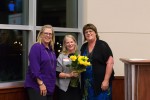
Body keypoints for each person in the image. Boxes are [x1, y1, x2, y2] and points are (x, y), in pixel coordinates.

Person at [80, 23, 115, 100]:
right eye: (86, 32)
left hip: (101, 83)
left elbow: (110, 63)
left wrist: (106, 81)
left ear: (95, 32)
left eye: (90, 31)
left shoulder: (102, 45)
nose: (88, 33)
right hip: (87, 85)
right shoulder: (84, 46)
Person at [24, 25, 56, 100]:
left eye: (50, 34)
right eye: (46, 33)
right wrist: (41, 83)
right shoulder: (36, 47)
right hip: (37, 85)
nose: (48, 35)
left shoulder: (51, 50)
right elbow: (34, 68)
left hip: (49, 86)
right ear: (41, 34)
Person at [56, 34, 82, 100]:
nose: (70, 44)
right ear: (65, 44)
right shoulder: (61, 56)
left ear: (74, 42)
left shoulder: (80, 55)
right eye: (67, 42)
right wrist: (69, 75)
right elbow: (57, 73)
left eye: (71, 42)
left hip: (77, 87)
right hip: (64, 88)